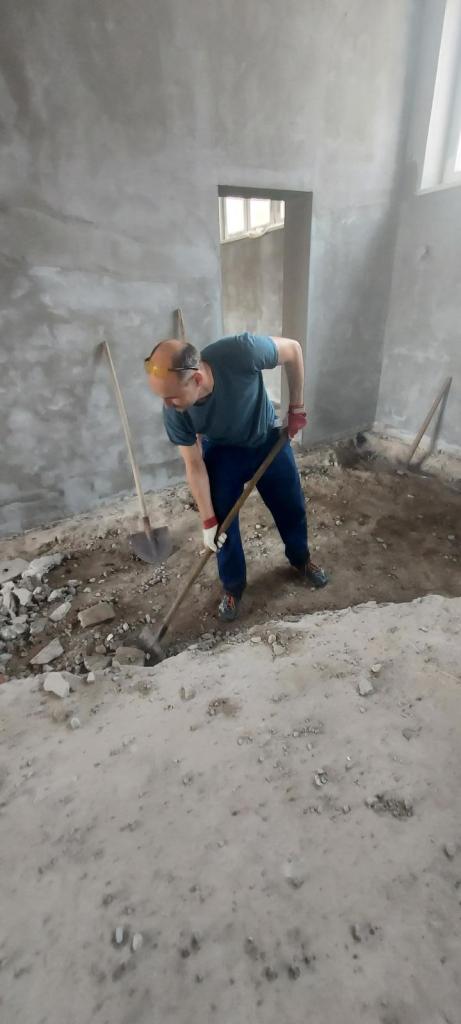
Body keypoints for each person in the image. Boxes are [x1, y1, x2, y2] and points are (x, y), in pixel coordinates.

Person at [145, 332, 328, 621]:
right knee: (222, 527)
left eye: (171, 397)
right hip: (222, 452)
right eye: (162, 397)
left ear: (197, 379)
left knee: (290, 506)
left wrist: (296, 407)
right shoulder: (175, 412)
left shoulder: (242, 352)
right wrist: (208, 521)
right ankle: (233, 586)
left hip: (266, 438)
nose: (167, 405)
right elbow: (193, 464)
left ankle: (301, 560)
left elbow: (293, 350)